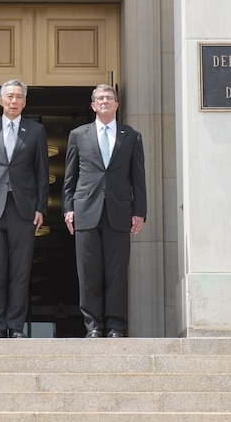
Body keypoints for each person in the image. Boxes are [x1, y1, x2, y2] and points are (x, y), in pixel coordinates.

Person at [62, 83, 146, 339]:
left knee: (117, 272)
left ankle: (115, 326)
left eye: (110, 98)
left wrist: (139, 211)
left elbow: (138, 177)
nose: (105, 101)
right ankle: (93, 326)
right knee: (88, 273)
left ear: (117, 105)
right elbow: (70, 176)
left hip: (119, 212)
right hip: (85, 210)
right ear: (93, 105)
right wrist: (67, 208)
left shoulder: (131, 136)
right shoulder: (78, 135)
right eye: (100, 98)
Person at [0, 79, 49, 338]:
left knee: (20, 273)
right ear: (1, 100)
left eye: (19, 97)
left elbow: (42, 173)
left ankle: (15, 327)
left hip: (24, 211)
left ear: (25, 102)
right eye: (9, 96)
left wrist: (41, 208)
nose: (14, 101)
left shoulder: (36, 131)